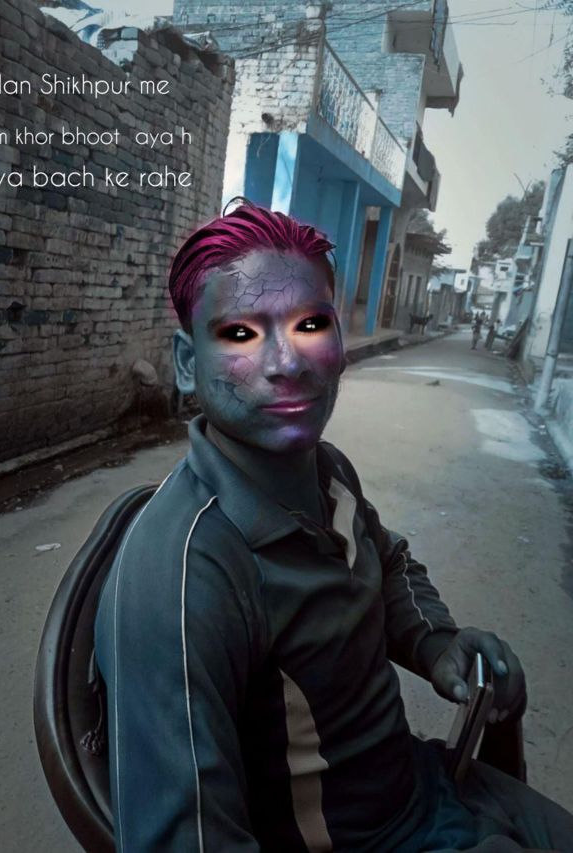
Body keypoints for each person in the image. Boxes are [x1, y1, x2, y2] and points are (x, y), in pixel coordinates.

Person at [94, 201, 573, 852]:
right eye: (241, 333)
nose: (288, 362)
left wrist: (436, 641)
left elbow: (386, 558)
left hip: (431, 786)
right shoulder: (183, 577)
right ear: (186, 362)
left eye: (311, 324)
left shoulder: (327, 471)